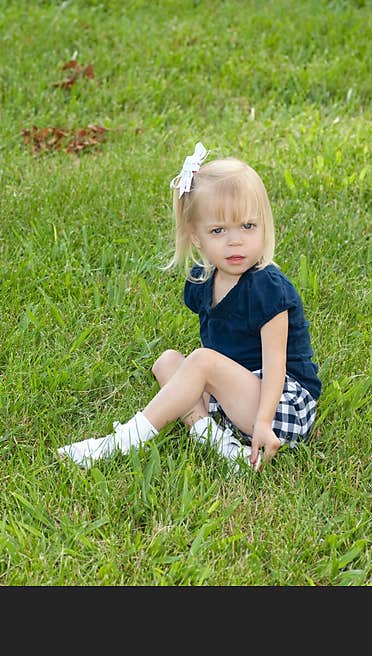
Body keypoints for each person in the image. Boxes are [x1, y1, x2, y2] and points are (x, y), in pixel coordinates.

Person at [57, 143, 321, 473]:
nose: (235, 241)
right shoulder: (202, 280)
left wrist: (264, 422)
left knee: (201, 361)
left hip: (282, 403)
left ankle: (121, 443)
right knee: (167, 362)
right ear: (196, 237)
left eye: (248, 226)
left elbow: (276, 363)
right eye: (218, 230)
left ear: (264, 227)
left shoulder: (268, 287)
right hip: (236, 399)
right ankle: (221, 445)